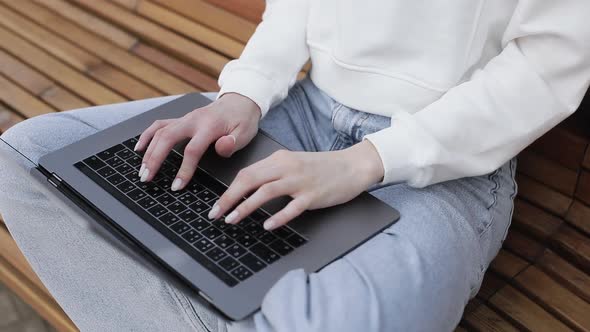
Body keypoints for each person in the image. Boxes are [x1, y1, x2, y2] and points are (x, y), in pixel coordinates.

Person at [1, 1, 589, 331]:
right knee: (27, 158)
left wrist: (369, 161)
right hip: (298, 112)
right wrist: (245, 94)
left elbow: (546, 67)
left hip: (443, 159)